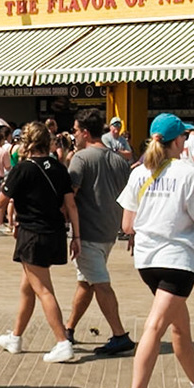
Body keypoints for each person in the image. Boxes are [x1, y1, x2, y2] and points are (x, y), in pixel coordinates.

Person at [117, 113, 194, 388]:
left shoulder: (138, 172)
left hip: (146, 262)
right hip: (178, 261)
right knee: (155, 327)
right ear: (179, 141)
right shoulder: (188, 173)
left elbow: (126, 224)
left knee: (180, 327)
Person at [0, 121, 80, 363]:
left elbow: (1, 199)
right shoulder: (59, 168)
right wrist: (77, 236)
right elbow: (70, 205)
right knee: (26, 288)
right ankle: (16, 337)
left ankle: (62, 342)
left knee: (43, 290)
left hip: (32, 234)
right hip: (55, 233)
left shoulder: (24, 169)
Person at [65, 109, 134, 356]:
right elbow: (130, 196)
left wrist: (70, 231)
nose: (73, 135)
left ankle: (119, 334)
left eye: (74, 130)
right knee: (86, 282)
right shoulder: (118, 159)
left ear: (85, 132)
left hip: (88, 232)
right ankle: (69, 329)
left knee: (100, 284)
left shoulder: (81, 159)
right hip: (108, 231)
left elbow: (69, 195)